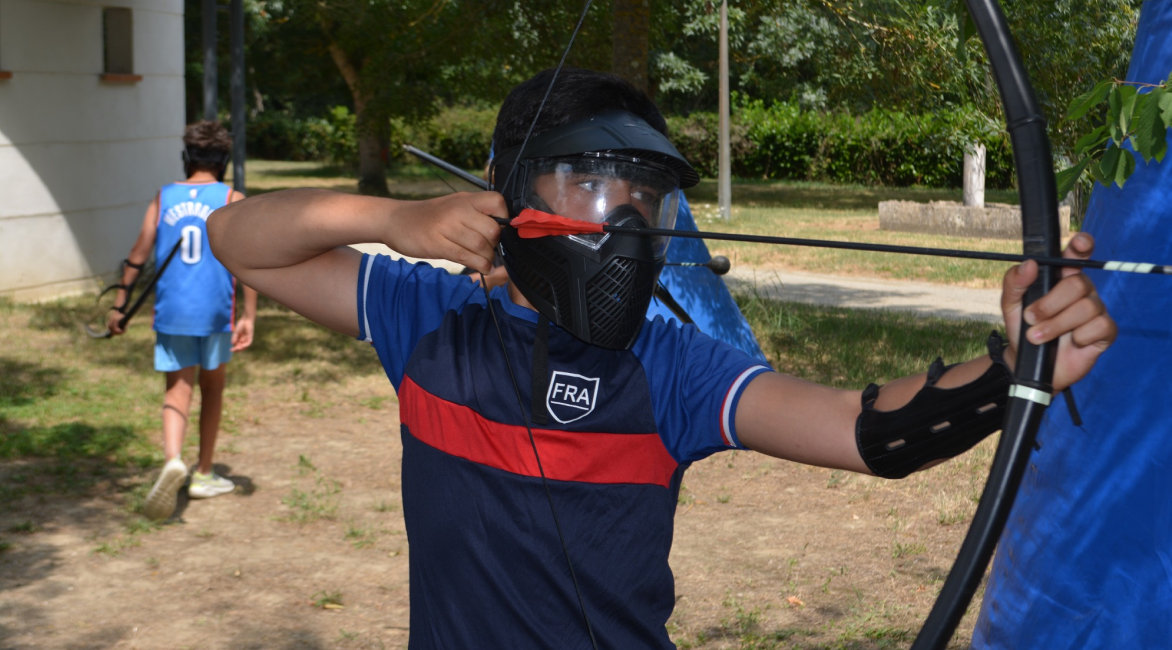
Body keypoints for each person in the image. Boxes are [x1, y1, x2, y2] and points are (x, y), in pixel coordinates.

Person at [207, 67, 1115, 649]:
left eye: (644, 196)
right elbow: (236, 240)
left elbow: (862, 428)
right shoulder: (428, 318)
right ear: (509, 188)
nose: (625, 220)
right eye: (589, 183)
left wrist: (1016, 368)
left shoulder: (670, 366)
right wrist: (393, 220)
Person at [109, 121, 257, 521]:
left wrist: (119, 306)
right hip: (215, 313)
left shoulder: (164, 197)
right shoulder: (231, 198)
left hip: (172, 312)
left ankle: (173, 459)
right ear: (224, 160)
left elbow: (137, 255)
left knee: (177, 391)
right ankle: (204, 473)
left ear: (187, 157)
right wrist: (248, 314)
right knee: (213, 389)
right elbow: (248, 262)